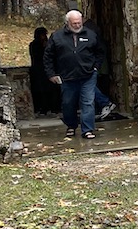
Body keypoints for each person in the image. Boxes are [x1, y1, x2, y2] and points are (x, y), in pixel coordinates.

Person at [43, 10, 105, 139]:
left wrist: (96, 67)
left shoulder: (91, 35)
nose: (77, 25)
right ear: (67, 23)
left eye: (79, 22)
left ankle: (87, 130)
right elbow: (48, 57)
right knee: (68, 103)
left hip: (87, 75)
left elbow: (100, 52)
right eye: (74, 23)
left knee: (88, 102)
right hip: (67, 77)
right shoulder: (57, 36)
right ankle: (71, 126)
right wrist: (51, 74)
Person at [29, 27, 60, 115]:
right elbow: (37, 56)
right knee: (41, 91)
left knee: (52, 89)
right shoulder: (34, 45)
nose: (44, 36)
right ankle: (43, 107)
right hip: (39, 70)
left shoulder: (48, 44)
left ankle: (54, 107)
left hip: (48, 70)